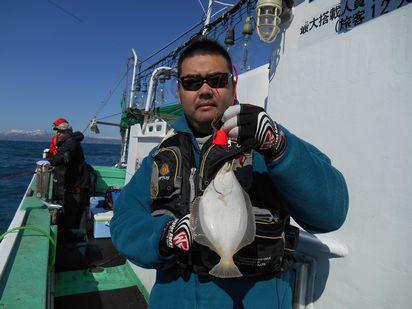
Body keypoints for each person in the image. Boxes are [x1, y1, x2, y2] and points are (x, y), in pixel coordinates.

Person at [110, 38, 349, 308]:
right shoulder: (163, 157)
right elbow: (123, 222)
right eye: (191, 82)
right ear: (179, 92)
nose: (205, 90)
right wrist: (164, 235)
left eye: (217, 79)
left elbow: (332, 213)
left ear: (233, 86)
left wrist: (279, 147)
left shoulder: (268, 142)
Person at [48, 120, 90, 230]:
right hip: (76, 184)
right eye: (57, 131)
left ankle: (72, 239)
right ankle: (75, 235)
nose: (58, 134)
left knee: (73, 213)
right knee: (74, 212)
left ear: (68, 132)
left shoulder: (70, 143)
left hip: (77, 186)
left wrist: (50, 162)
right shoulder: (72, 141)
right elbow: (67, 159)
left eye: (61, 132)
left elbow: (62, 156)